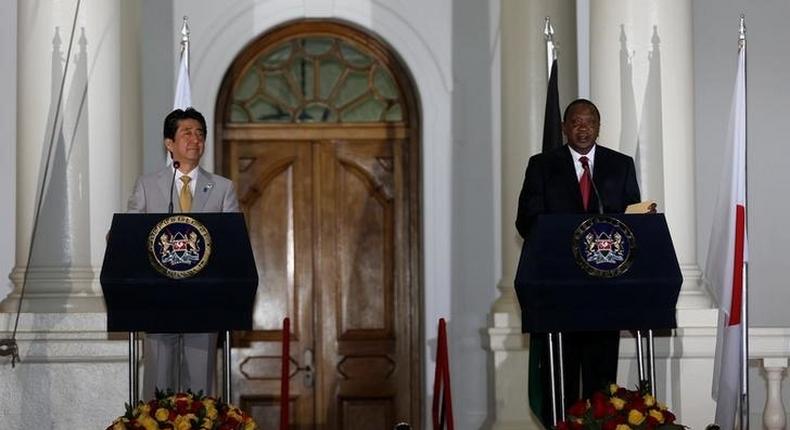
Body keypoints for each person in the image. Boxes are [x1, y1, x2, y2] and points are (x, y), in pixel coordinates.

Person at [515, 99, 641, 418]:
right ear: (563, 128)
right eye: (575, 122)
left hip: (605, 292)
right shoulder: (542, 165)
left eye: (589, 122)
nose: (582, 128)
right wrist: (559, 234)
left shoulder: (620, 165)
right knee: (563, 382)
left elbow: (631, 223)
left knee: (602, 385)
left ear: (599, 127)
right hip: (561, 290)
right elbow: (525, 220)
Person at [127, 107, 240, 399]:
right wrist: (118, 237)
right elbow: (130, 234)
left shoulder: (223, 188)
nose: (195, 139)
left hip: (204, 300)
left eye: (200, 133)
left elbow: (234, 241)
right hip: (158, 299)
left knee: (201, 392)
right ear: (169, 143)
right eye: (187, 133)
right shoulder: (148, 186)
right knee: (158, 389)